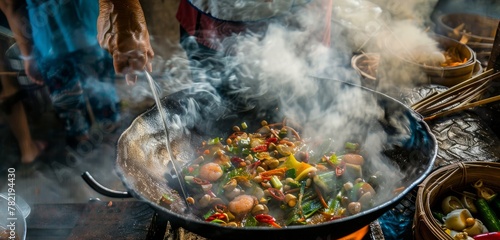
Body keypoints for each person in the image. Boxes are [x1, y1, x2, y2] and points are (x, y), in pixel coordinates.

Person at [97, 0, 332, 85]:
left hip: (302, 12)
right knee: (214, 112)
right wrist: (119, 6)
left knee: (302, 105)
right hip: (214, 16)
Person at [13, 0, 121, 146]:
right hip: (89, 24)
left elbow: (10, 5)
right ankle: (111, 135)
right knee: (103, 91)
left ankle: (84, 140)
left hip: (49, 39)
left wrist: (28, 56)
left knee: (69, 100)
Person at [0, 0, 46, 165]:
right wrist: (28, 56)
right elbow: (8, 3)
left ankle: (25, 148)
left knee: (5, 87)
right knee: (8, 86)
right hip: (10, 30)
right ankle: (27, 149)